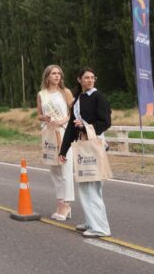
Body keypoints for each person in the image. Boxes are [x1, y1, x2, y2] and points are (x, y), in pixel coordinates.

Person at [58, 67, 112, 238]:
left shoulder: (98, 97)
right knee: (85, 185)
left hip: (94, 145)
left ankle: (100, 228)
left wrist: (87, 127)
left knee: (92, 187)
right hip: (82, 145)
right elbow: (70, 129)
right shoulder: (77, 100)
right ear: (79, 79)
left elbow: (105, 122)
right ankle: (91, 221)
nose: (90, 80)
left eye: (92, 77)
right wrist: (63, 150)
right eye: (86, 77)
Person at [37, 65, 74, 221]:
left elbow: (73, 112)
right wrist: (45, 118)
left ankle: (67, 204)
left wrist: (62, 120)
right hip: (50, 133)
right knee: (54, 169)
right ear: (47, 77)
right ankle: (60, 202)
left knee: (65, 167)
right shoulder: (42, 94)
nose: (57, 76)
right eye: (54, 73)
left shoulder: (65, 92)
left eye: (59, 73)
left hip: (65, 132)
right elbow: (38, 114)